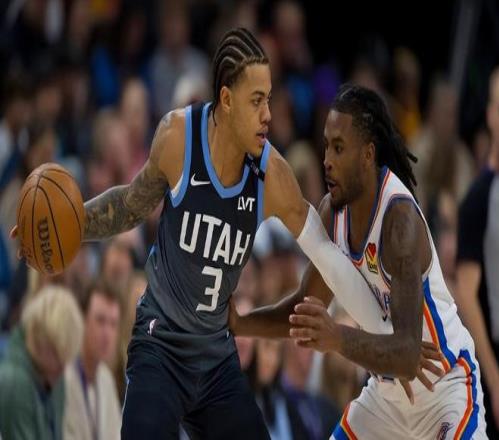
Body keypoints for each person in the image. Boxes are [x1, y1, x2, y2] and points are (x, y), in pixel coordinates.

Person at [11, 28, 435, 439]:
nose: (268, 114)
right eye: (257, 100)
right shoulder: (178, 137)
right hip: (161, 346)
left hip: (215, 358)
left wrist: (391, 341)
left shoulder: (273, 176)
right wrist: (71, 226)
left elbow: (328, 259)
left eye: (269, 99)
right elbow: (130, 205)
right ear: (227, 100)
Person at [231, 84, 487, 439]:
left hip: (444, 391)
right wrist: (240, 324)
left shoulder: (399, 221)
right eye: (325, 145)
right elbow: (303, 309)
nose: (327, 160)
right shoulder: (332, 213)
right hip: (387, 400)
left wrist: (336, 337)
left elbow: (408, 354)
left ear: (368, 154)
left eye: (339, 148)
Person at [456, 66, 499, 438]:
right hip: (492, 369)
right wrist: (495, 379)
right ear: (491, 115)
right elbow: (466, 294)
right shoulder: (478, 199)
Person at [0, 285, 83, 440]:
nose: (63, 366)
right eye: (57, 353)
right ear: (38, 338)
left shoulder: (53, 376)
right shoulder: (15, 384)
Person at [64, 280, 122, 440]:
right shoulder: (63, 376)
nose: (107, 334)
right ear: (82, 320)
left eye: (113, 324)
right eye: (100, 321)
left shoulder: (106, 379)